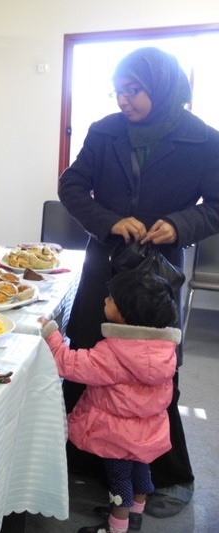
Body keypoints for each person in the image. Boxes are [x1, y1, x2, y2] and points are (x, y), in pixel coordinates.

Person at [58, 46, 219, 518]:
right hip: (105, 263)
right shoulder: (104, 130)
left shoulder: (204, 140)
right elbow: (70, 186)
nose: (124, 100)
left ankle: (168, 473)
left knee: (153, 370)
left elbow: (216, 205)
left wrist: (179, 225)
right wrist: (108, 220)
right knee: (89, 355)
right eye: (119, 90)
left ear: (163, 87)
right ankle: (84, 457)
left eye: (134, 90)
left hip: (157, 273)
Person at [40, 271, 181, 533]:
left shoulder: (113, 353)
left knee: (119, 481)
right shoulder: (164, 350)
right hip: (148, 430)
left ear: (126, 314)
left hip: (117, 436)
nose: (105, 300)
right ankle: (136, 513)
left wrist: (50, 333)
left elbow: (68, 365)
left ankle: (117, 525)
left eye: (112, 299)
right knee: (141, 469)